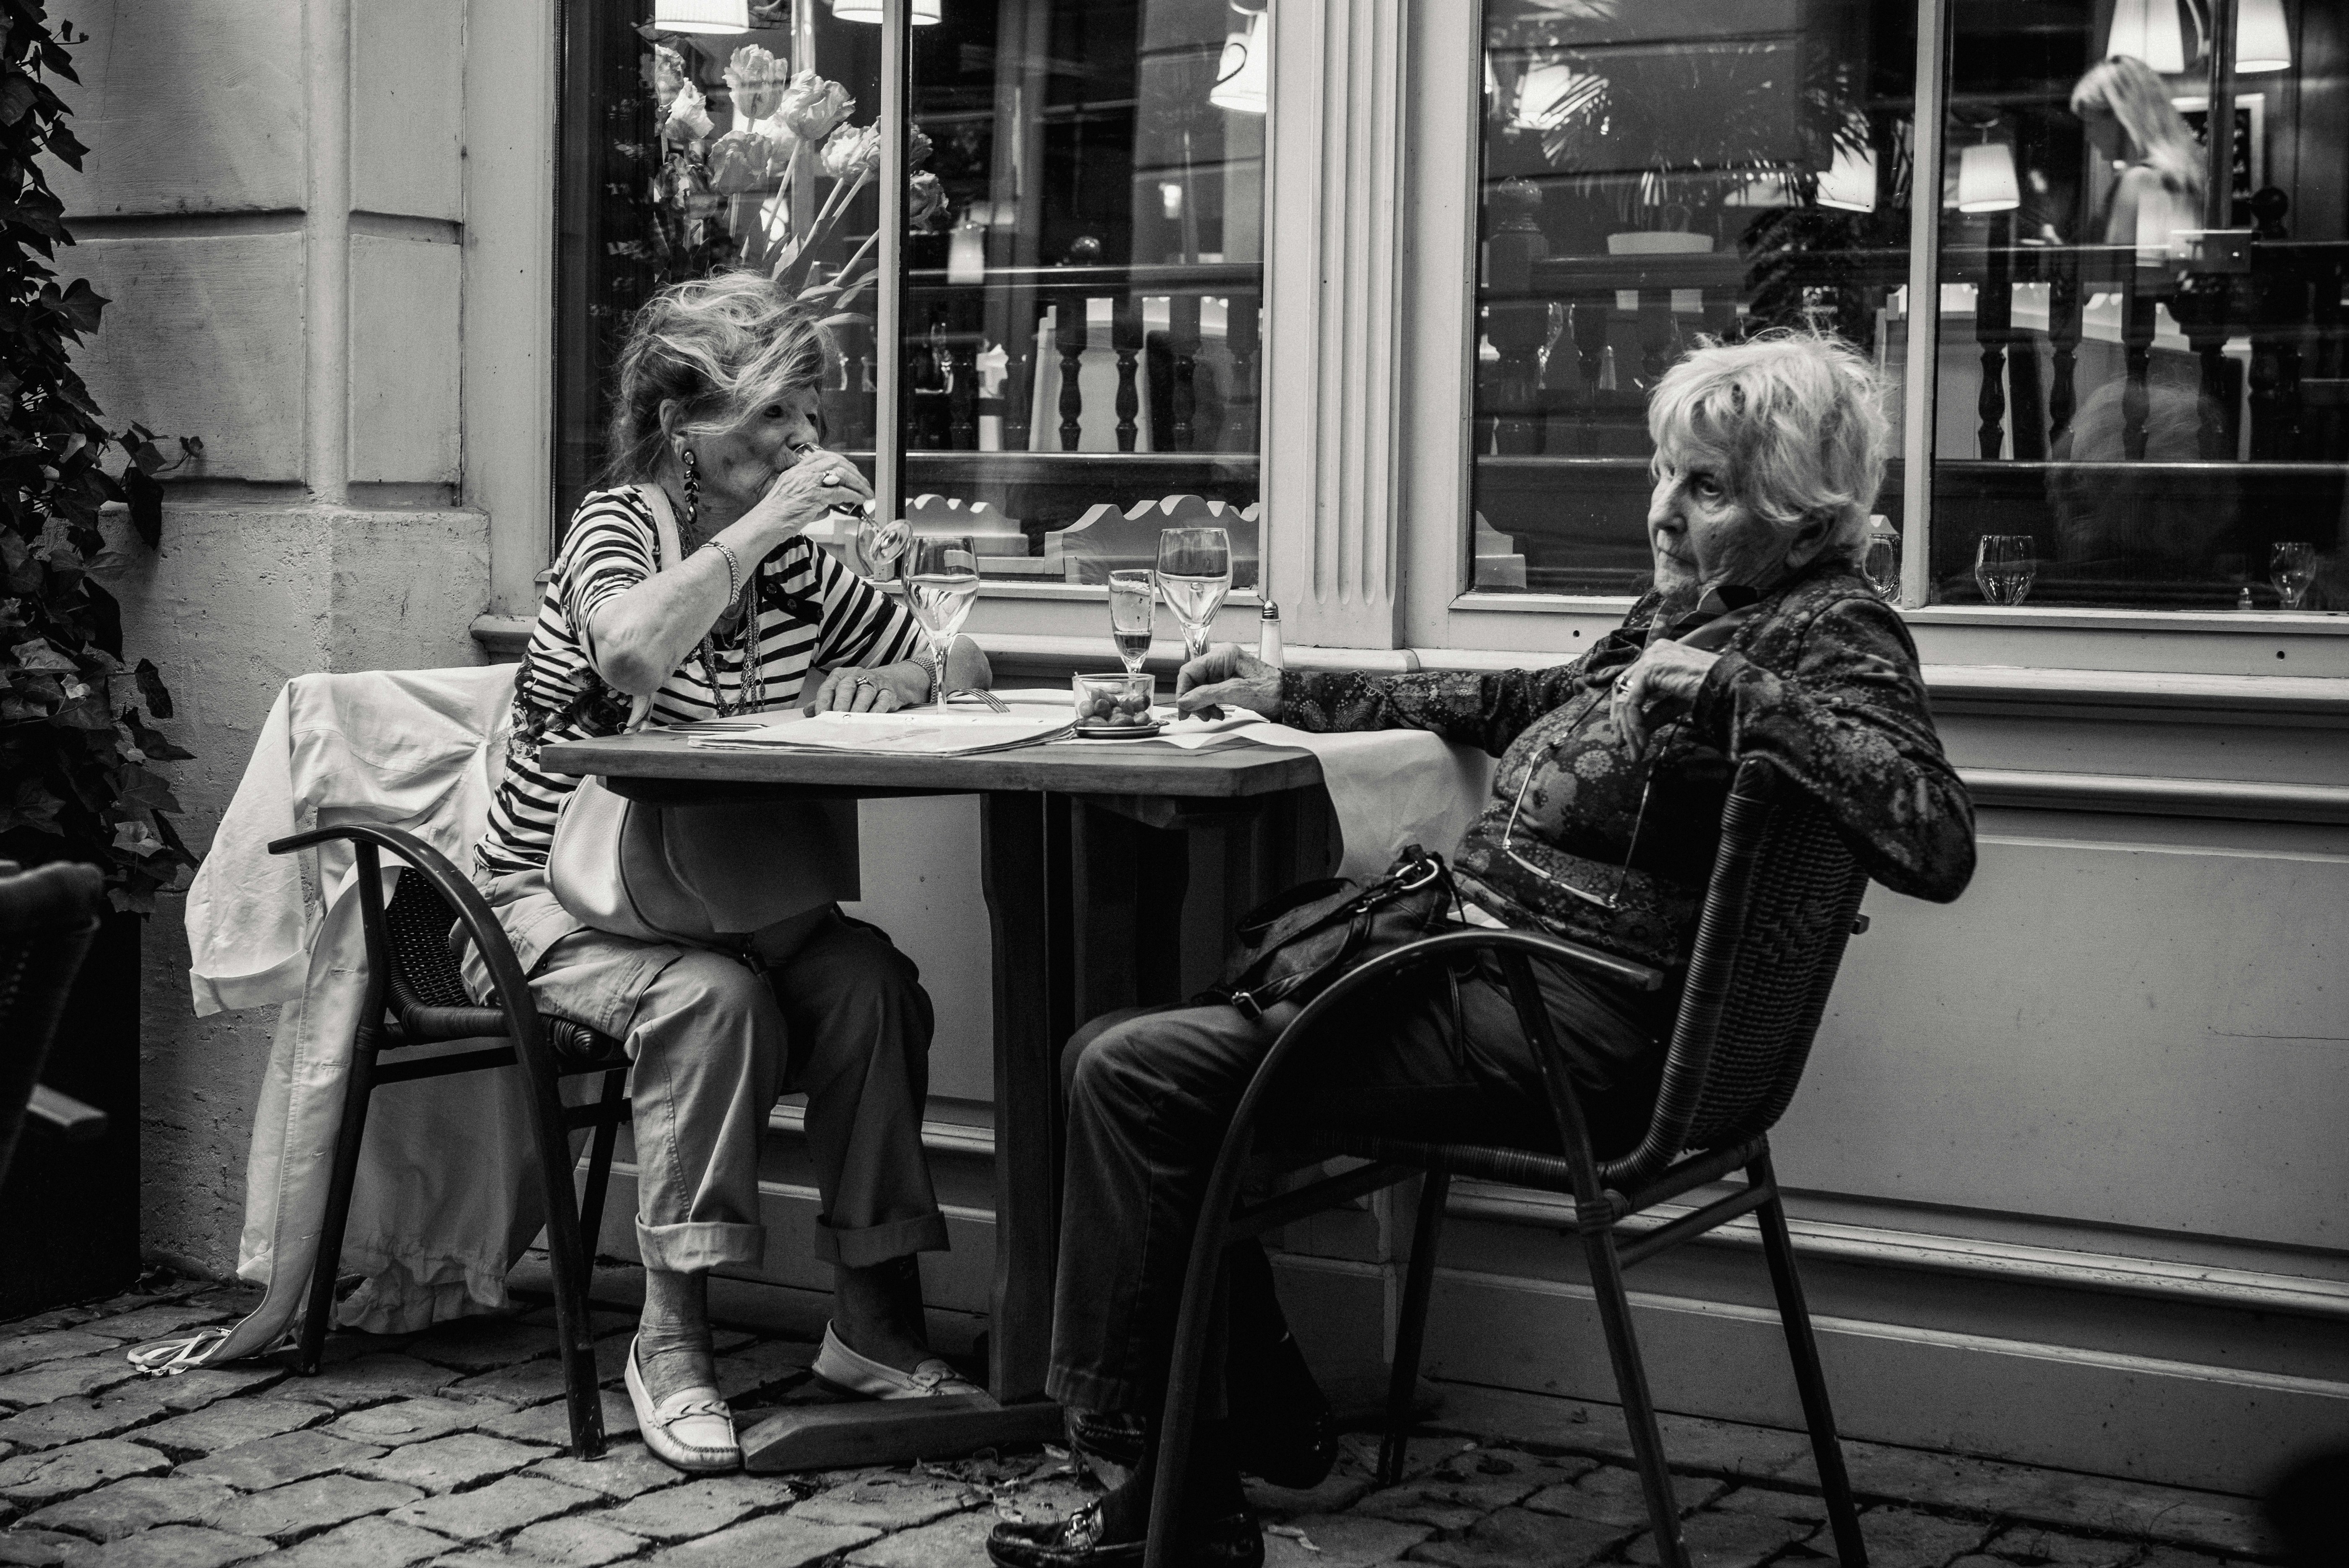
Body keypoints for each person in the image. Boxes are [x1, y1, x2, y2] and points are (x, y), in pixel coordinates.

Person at [989, 331, 1976, 1568]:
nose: (1665, 509)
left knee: (1135, 1076)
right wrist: (1289, 687)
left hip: (1562, 1026)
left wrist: (1749, 705)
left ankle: (1164, 1484)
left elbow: (1936, 837)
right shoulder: (1696, 607)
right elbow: (1522, 703)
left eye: (1708, 487)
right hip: (1497, 986)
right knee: (1127, 1058)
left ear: (1796, 504)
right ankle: (1230, 1428)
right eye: (1668, 474)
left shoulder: (1829, 630)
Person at [469, 271, 991, 1474]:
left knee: (868, 978)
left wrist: (904, 677)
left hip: (726, 901)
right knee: (712, 999)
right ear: (681, 426)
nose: (806, 438)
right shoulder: (619, 527)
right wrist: (763, 527)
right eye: (773, 416)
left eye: (809, 410)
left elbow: (959, 649)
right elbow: (631, 648)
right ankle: (671, 1336)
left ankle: (872, 1320)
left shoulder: (802, 569)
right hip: (547, 903)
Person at [2071, 56, 2204, 257]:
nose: (2089, 137)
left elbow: (2121, 274)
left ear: (2122, 117)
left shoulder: (2139, 179)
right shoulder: (2178, 175)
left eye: (2091, 123)